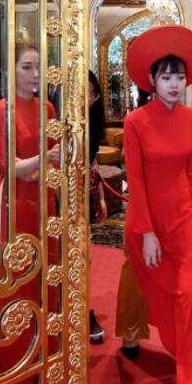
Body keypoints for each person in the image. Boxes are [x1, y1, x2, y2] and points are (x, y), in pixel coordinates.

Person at [120, 25, 192, 384]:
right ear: (152, 81)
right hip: (148, 221)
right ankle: (129, 332)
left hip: (183, 221)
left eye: (180, 76)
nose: (175, 84)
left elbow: (190, 167)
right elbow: (136, 181)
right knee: (139, 274)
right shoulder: (135, 122)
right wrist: (146, 233)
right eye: (166, 76)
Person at [0, 45, 59, 379]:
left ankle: (47, 354)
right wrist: (39, 162)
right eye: (27, 67)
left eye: (38, 68)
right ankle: (16, 365)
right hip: (14, 202)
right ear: (11, 71)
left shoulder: (48, 108)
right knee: (18, 278)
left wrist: (34, 165)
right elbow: (9, 167)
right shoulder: (2, 110)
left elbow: (49, 159)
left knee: (47, 272)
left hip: (45, 195)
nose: (34, 75)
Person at [87, 71, 109, 343]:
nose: (88, 99)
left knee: (84, 257)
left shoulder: (92, 123)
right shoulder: (53, 118)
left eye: (92, 95)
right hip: (54, 196)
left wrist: (101, 196)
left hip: (84, 194)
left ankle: (84, 308)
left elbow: (92, 164)